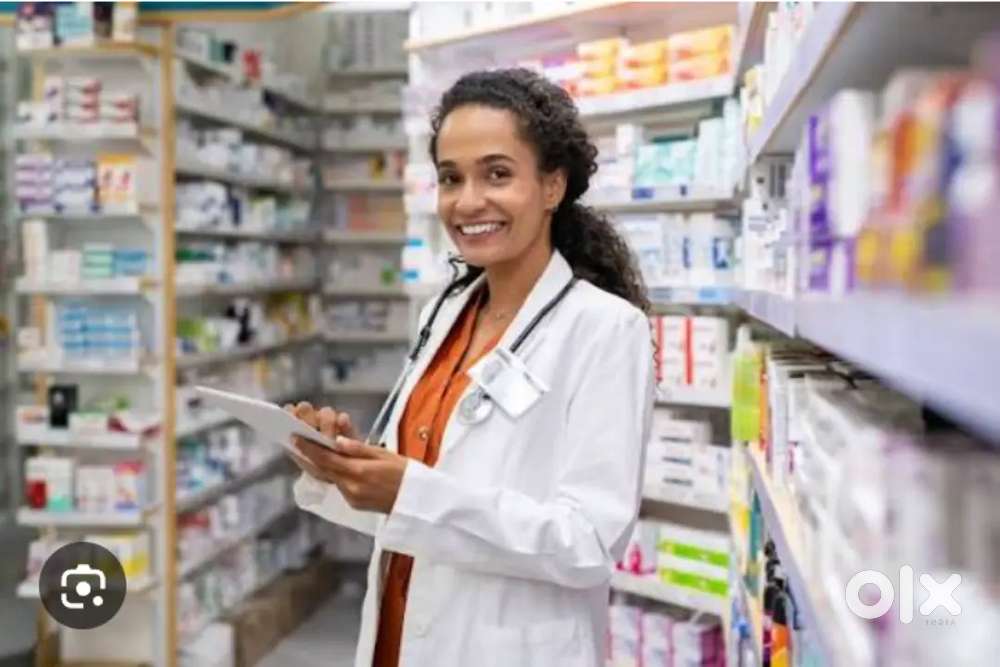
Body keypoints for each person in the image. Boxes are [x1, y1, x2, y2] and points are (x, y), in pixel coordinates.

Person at [285, 68, 655, 667]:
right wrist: (344, 465)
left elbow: (586, 543)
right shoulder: (445, 311)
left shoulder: (605, 329)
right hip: (399, 635)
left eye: (498, 174)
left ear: (553, 185)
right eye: (450, 178)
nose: (467, 201)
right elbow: (415, 487)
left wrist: (411, 492)